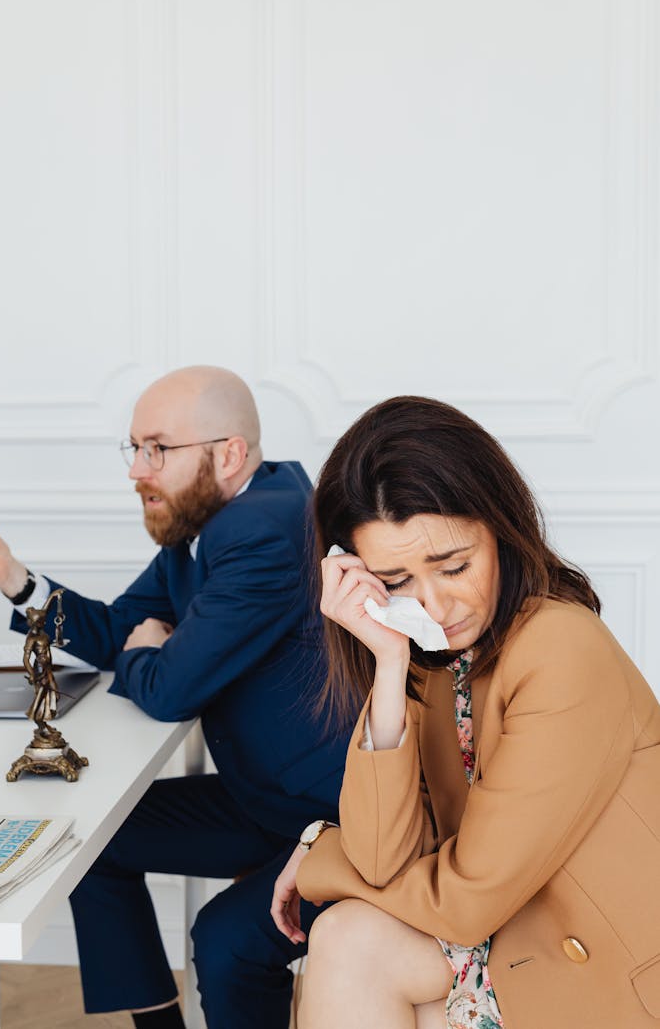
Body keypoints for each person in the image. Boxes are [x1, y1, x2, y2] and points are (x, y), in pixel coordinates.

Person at [0, 366, 351, 1029]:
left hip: (337, 820)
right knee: (92, 844)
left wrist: (146, 653)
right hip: (263, 797)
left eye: (158, 449)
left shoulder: (263, 532)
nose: (138, 470)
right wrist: (14, 579)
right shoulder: (203, 522)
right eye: (134, 448)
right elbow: (121, 628)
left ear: (229, 454)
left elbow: (167, 688)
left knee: (224, 940)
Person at [271, 395, 660, 1029]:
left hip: (607, 968)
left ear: (503, 530)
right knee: (346, 938)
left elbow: (465, 903)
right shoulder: (430, 656)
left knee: (348, 942)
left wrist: (320, 855)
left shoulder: (562, 647)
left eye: (454, 566)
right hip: (521, 942)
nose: (435, 605)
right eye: (394, 582)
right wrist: (390, 667)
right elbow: (384, 861)